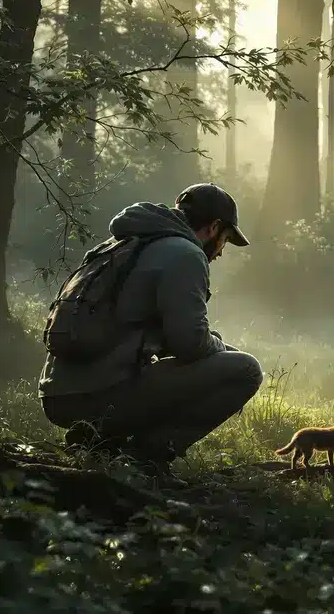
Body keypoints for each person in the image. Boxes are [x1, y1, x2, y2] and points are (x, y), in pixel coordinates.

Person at [38, 183, 264, 476]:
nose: (221, 252)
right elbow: (190, 344)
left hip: (57, 396)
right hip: (97, 395)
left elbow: (141, 330)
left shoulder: (120, 244)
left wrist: (217, 348)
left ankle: (99, 442)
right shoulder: (186, 254)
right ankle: (143, 460)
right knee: (246, 369)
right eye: (226, 240)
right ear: (214, 228)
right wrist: (222, 349)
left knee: (224, 358)